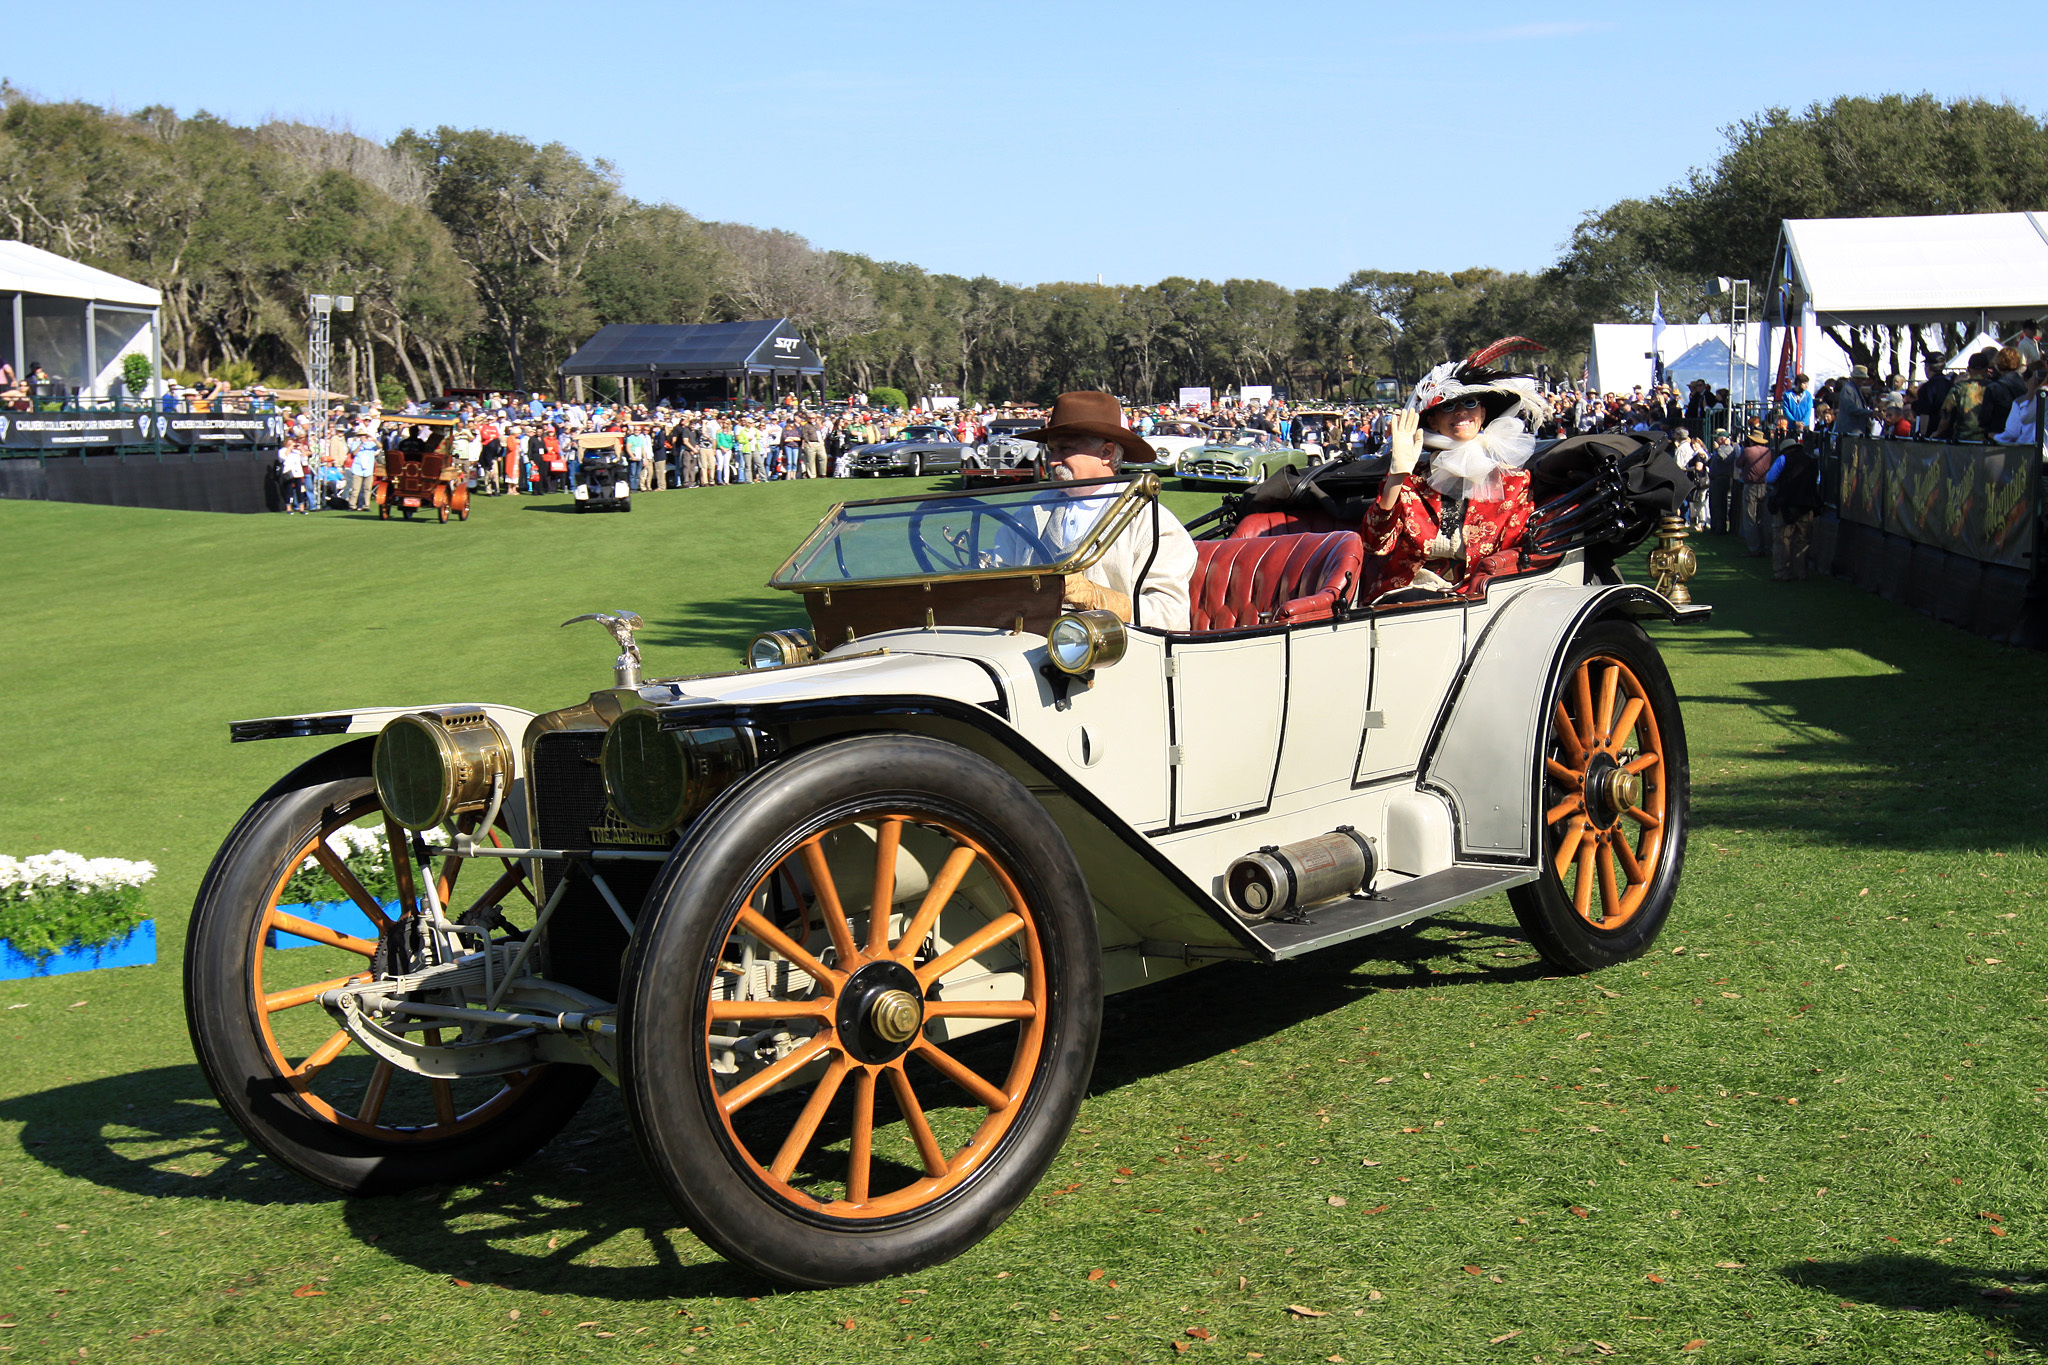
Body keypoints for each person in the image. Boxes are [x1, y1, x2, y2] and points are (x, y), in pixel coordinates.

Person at [1363, 357, 1550, 600]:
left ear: (1483, 413)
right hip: (1404, 596)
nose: (1461, 412)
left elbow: (1514, 553)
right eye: (1448, 406)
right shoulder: (1412, 478)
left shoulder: (1513, 482)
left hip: (1479, 598)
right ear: (1433, 420)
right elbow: (1375, 543)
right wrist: (1396, 477)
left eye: (1470, 403)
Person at [1014, 391, 1196, 631]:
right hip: (1025, 652)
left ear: (1106, 454)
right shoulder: (1031, 511)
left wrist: (1095, 597)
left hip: (1114, 659)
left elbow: (1171, 614)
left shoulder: (1152, 523)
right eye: (1052, 451)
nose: (1053, 461)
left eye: (1065, 450)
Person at [1765, 433, 1822, 581]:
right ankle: (1801, 573)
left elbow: (1770, 478)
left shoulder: (1783, 459)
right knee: (1802, 540)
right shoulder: (1811, 461)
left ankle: (1781, 573)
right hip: (1806, 505)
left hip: (1785, 505)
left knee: (1782, 540)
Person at [1736, 425, 1773, 556]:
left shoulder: (1748, 451)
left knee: (1750, 518)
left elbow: (1738, 463)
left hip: (1750, 485)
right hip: (1763, 485)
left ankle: (1754, 547)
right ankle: (1762, 545)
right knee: (1760, 518)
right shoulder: (1768, 451)